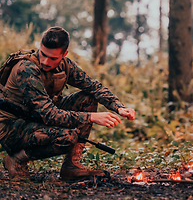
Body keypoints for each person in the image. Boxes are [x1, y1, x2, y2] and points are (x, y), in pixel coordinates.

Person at [0, 27, 135, 181]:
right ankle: (16, 159)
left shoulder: (66, 66)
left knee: (88, 98)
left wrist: (119, 107)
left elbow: (94, 87)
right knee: (67, 137)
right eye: (43, 54)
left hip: (36, 119)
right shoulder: (27, 69)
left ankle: (72, 166)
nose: (45, 61)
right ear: (40, 47)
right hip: (12, 128)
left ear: (64, 54)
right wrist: (91, 117)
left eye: (52, 58)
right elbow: (49, 114)